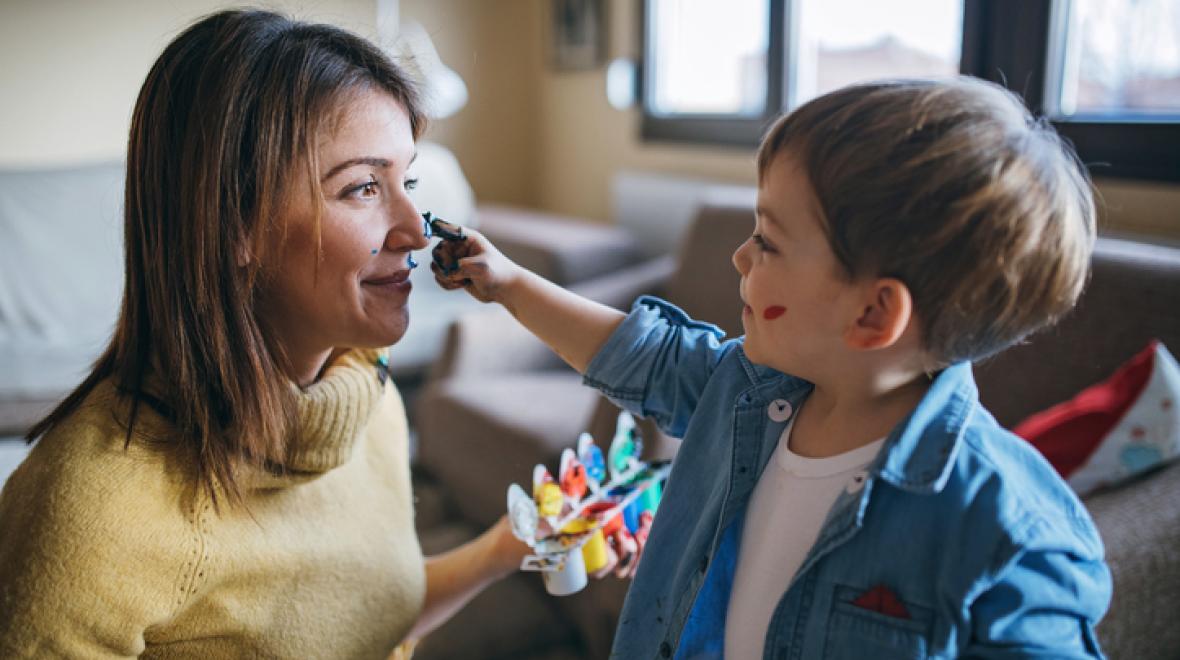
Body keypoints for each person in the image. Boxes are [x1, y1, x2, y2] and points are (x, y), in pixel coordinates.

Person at [431, 77, 1112, 658]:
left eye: (768, 241)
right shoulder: (744, 392)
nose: (740, 257)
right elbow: (641, 353)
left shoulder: (1010, 538)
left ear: (873, 314)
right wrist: (509, 284)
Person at [0, 9, 526, 658]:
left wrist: (507, 547)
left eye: (407, 180)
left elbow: (369, 615)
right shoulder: (92, 512)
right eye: (363, 187)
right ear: (233, 225)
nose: (418, 232)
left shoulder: (367, 395)